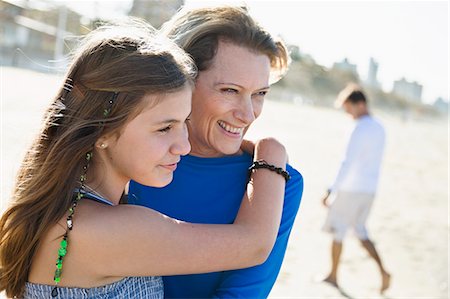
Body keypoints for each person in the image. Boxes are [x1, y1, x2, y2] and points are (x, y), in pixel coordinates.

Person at [0, 20, 291, 299]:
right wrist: (272, 151)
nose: (184, 146)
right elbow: (253, 245)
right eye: (165, 128)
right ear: (102, 130)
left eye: (184, 123)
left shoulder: (66, 210)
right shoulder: (107, 230)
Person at [129, 6, 303, 298]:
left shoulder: (274, 185)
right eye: (230, 91)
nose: (248, 115)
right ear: (178, 81)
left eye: (260, 94)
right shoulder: (126, 159)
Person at [321, 84, 391, 293]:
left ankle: (333, 276)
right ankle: (383, 271)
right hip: (370, 189)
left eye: (348, 108)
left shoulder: (359, 127)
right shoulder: (379, 127)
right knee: (360, 231)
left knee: (338, 232)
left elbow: (347, 162)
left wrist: (331, 190)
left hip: (350, 188)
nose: (347, 113)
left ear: (360, 104)